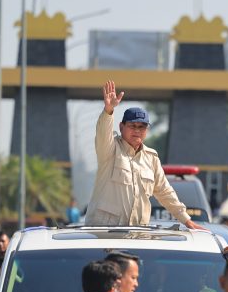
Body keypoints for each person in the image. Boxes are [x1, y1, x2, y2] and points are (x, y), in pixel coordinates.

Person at [86, 80, 204, 229]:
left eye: (142, 127)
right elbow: (103, 134)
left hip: (138, 233)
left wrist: (187, 221)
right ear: (121, 127)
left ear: (147, 130)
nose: (137, 130)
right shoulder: (110, 149)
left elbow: (164, 192)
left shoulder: (151, 157)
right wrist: (108, 111)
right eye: (132, 126)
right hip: (104, 232)